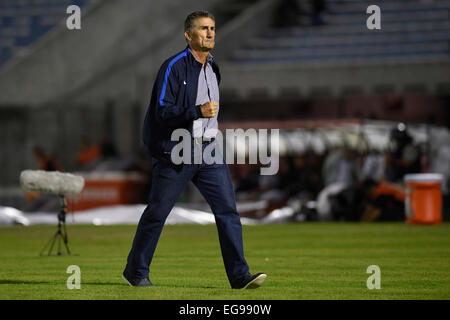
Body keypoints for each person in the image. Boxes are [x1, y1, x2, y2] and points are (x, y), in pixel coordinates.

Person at [123, 11, 267, 289]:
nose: (210, 33)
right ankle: (135, 271)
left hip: (209, 149)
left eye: (212, 28)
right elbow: (161, 111)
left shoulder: (214, 68)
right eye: (203, 29)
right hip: (177, 148)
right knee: (158, 212)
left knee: (228, 211)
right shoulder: (173, 66)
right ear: (189, 35)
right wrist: (197, 111)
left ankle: (239, 277)